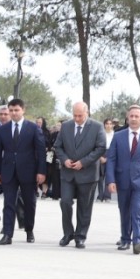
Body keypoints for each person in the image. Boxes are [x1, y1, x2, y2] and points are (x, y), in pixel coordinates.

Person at [0, 97, 46, 245]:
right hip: (8, 172)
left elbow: (41, 151)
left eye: (17, 110)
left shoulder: (33, 128)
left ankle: (29, 230)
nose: (14, 113)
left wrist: (41, 172)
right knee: (9, 203)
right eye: (11, 110)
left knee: (29, 203)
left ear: (23, 110)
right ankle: (7, 234)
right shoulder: (2, 129)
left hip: (28, 171)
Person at [106, 105, 140, 253]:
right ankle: (125, 239)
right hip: (122, 179)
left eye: (137, 116)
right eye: (131, 116)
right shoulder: (118, 136)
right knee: (124, 211)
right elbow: (111, 159)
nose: (134, 119)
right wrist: (110, 180)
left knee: (137, 209)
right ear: (127, 118)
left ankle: (137, 241)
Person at [53, 101, 106, 248]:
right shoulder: (66, 126)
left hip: (88, 173)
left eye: (80, 116)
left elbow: (101, 148)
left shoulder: (97, 127)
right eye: (75, 115)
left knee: (85, 206)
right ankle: (68, 233)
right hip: (68, 173)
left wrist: (83, 162)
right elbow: (58, 146)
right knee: (65, 202)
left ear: (87, 113)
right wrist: (64, 160)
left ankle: (80, 236)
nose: (77, 119)